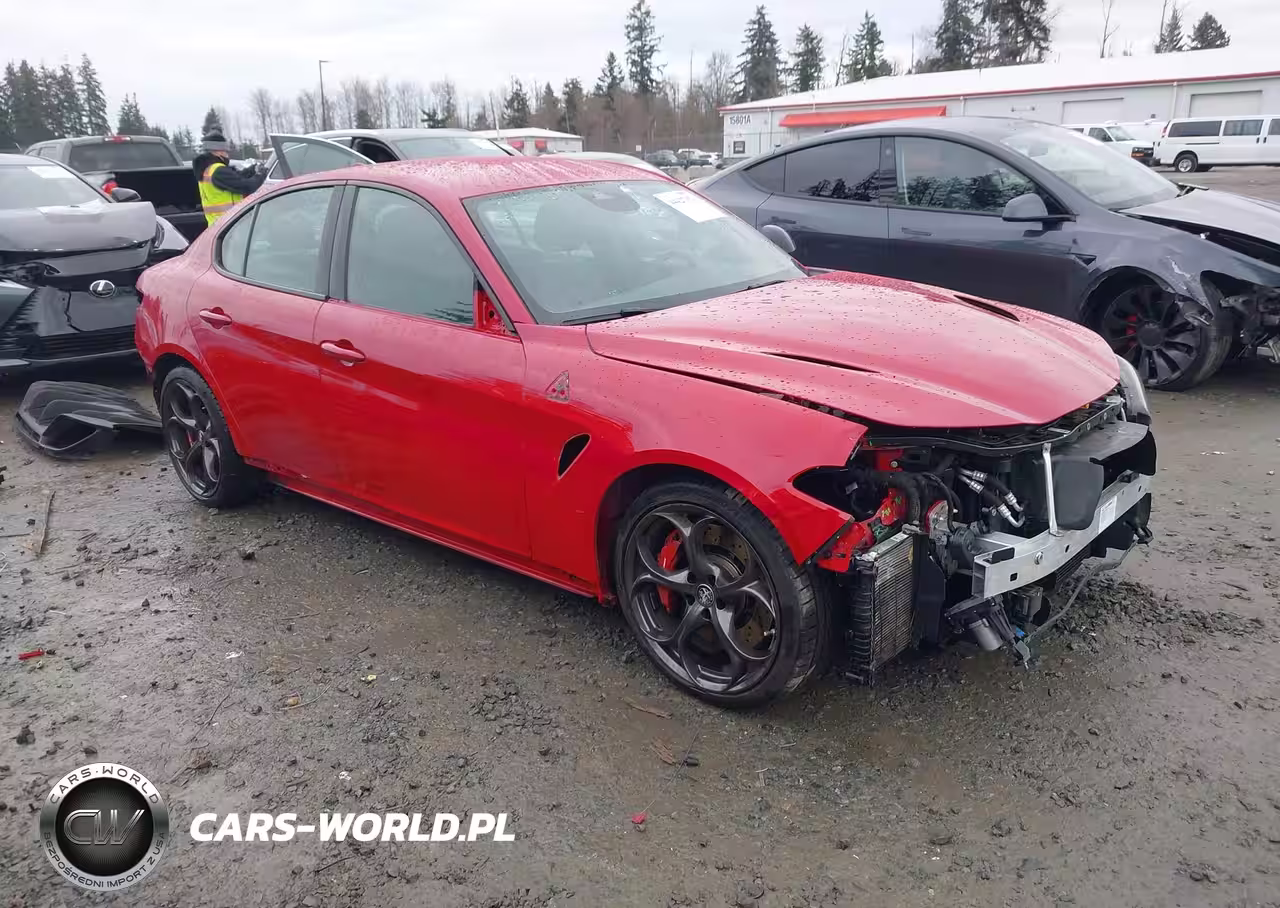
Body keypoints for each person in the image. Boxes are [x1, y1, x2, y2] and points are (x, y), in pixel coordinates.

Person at [192, 132, 266, 226]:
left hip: (218, 225)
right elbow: (246, 186)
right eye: (226, 151)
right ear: (218, 151)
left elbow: (236, 178)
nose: (227, 155)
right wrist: (261, 175)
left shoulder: (207, 170)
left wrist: (252, 169)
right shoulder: (218, 171)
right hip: (229, 225)